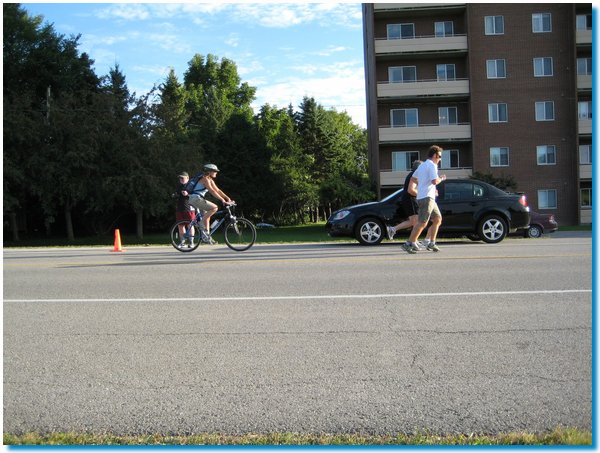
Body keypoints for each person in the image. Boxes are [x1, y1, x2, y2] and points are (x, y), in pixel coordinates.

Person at [401, 145, 446, 254]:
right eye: (439, 156)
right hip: (427, 198)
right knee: (422, 222)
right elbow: (435, 181)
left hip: (427, 197)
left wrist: (422, 184)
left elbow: (413, 178)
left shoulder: (422, 166)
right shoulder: (432, 165)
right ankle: (408, 243)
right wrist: (441, 178)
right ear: (434, 155)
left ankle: (431, 243)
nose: (440, 159)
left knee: (437, 219)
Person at [182, 164, 234, 244]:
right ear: (209, 172)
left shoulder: (210, 180)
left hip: (197, 199)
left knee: (207, 217)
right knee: (214, 208)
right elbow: (212, 191)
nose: (216, 172)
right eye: (215, 171)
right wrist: (222, 200)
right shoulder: (205, 179)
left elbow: (218, 190)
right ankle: (200, 223)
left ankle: (206, 238)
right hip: (195, 199)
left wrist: (228, 198)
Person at [173, 172, 196, 243]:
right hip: (180, 208)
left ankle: (191, 242)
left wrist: (187, 194)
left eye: (183, 178)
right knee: (180, 225)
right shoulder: (179, 186)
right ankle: (182, 242)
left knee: (190, 225)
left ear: (187, 178)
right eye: (180, 178)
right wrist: (174, 195)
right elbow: (176, 194)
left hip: (189, 208)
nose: (181, 179)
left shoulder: (191, 186)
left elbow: (196, 195)